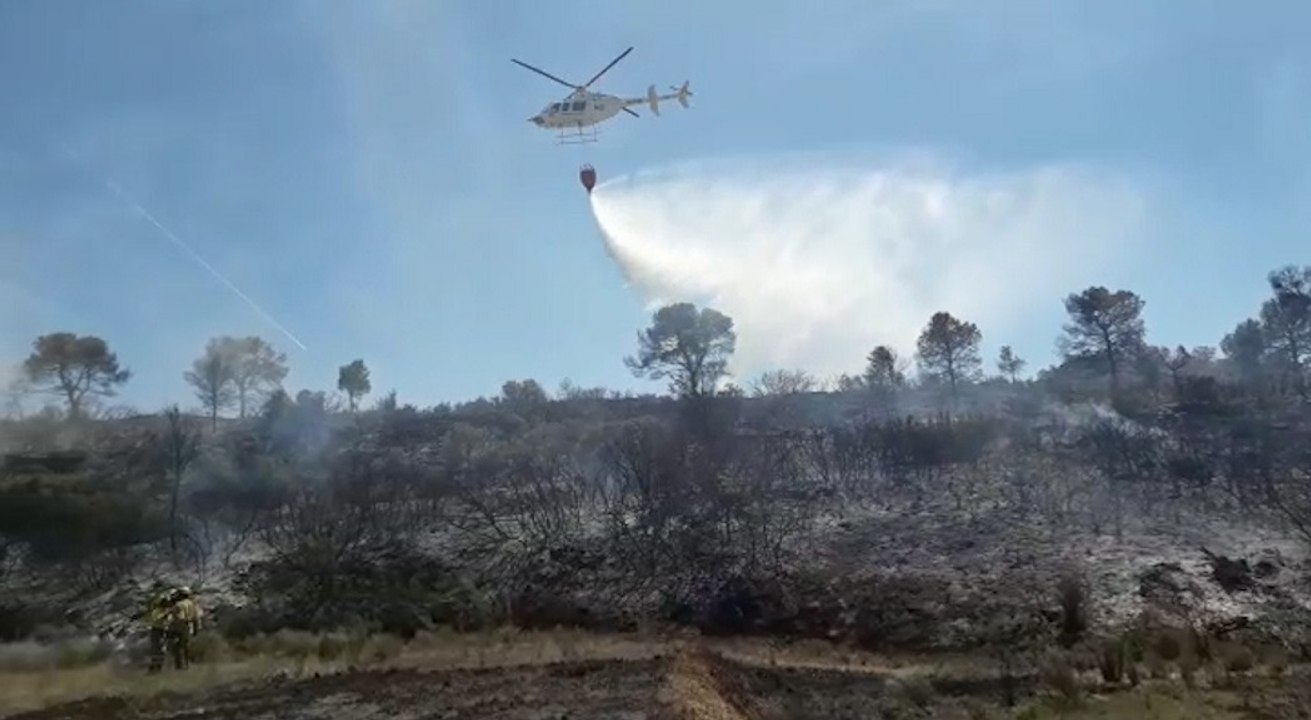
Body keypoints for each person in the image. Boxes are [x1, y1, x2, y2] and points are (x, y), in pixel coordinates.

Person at [165, 586, 203, 670]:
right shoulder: (193, 604)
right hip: (187, 626)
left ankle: (179, 665)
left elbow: (175, 616)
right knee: (186, 646)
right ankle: (187, 664)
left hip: (178, 625)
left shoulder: (179, 605)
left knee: (177, 646)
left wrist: (170, 629)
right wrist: (196, 629)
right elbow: (196, 618)